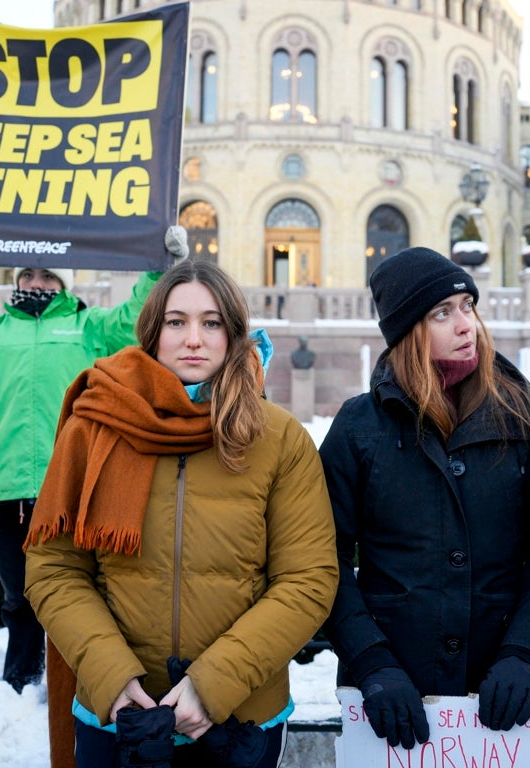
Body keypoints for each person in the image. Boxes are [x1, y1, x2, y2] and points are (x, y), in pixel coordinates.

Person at [23, 259, 339, 767]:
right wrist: (113, 678)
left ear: (233, 334)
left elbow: (307, 580)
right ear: (153, 332)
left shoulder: (278, 438)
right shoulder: (94, 425)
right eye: (177, 322)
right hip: (119, 717)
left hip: (238, 722)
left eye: (211, 323)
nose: (194, 339)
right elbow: (54, 569)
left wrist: (213, 685)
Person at [0, 225, 187, 692]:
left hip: (71, 483)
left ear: (63, 285)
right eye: (28, 275)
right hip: (3, 485)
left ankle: (81, 681)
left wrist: (158, 265)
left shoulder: (88, 328)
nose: (36, 284)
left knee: (79, 592)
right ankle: (21, 682)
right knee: (19, 593)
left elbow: (138, 317)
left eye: (47, 277)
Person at [319, 247, 530, 750]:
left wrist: (524, 654)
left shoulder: (521, 418)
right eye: (443, 313)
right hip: (390, 706)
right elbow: (321, 559)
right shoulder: (359, 427)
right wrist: (370, 662)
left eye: (468, 306)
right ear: (407, 331)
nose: (467, 325)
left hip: (495, 708)